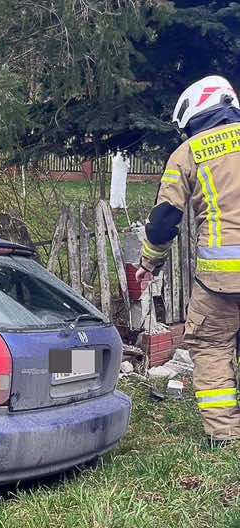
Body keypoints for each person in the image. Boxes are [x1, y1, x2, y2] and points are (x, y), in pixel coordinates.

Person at [136, 75, 240, 442]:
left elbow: (164, 221)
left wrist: (150, 262)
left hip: (222, 278)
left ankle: (225, 434)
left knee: (210, 344)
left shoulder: (189, 153)